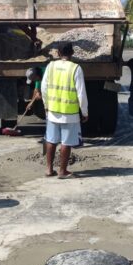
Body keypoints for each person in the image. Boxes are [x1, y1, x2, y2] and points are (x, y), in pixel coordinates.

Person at [41, 43, 88, 179]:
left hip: (53, 111)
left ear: (58, 53)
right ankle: (62, 171)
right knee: (66, 142)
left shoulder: (50, 66)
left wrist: (46, 105)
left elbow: (44, 88)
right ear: (72, 53)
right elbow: (81, 93)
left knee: (50, 140)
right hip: (70, 114)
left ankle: (49, 169)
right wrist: (84, 112)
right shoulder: (76, 68)